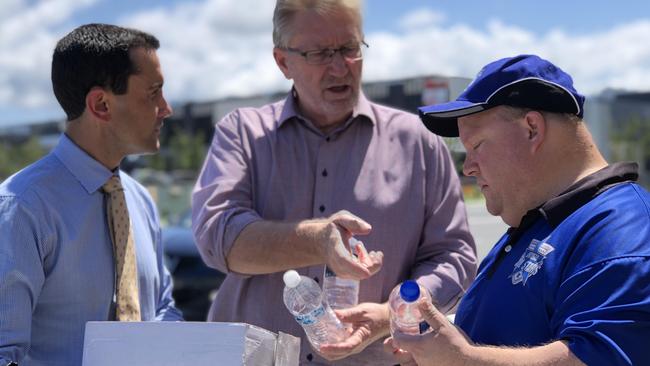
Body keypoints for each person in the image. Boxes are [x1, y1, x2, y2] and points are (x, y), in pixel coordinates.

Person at [191, 0, 477, 364]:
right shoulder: (242, 133)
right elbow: (219, 238)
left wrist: (395, 312)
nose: (340, 67)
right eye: (320, 53)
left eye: (349, 49)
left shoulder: (418, 142)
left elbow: (454, 255)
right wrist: (318, 242)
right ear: (283, 62)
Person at [385, 54, 650, 366]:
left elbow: (600, 357)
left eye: (477, 146)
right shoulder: (543, 221)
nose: (468, 167)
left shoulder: (621, 230)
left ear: (532, 129)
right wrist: (437, 350)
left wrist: (463, 360)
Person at [0, 23, 182, 366]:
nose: (166, 107)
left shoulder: (140, 201)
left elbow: (162, 310)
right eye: (153, 92)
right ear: (101, 104)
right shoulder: (21, 208)